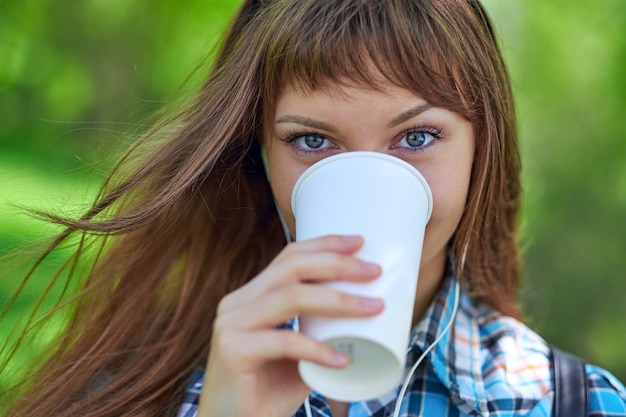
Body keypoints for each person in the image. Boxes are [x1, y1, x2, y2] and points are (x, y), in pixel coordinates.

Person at [2, 0, 625, 416]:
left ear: (480, 148)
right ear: (259, 157)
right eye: (312, 140)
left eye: (417, 137)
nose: (369, 180)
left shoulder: (581, 403)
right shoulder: (130, 388)